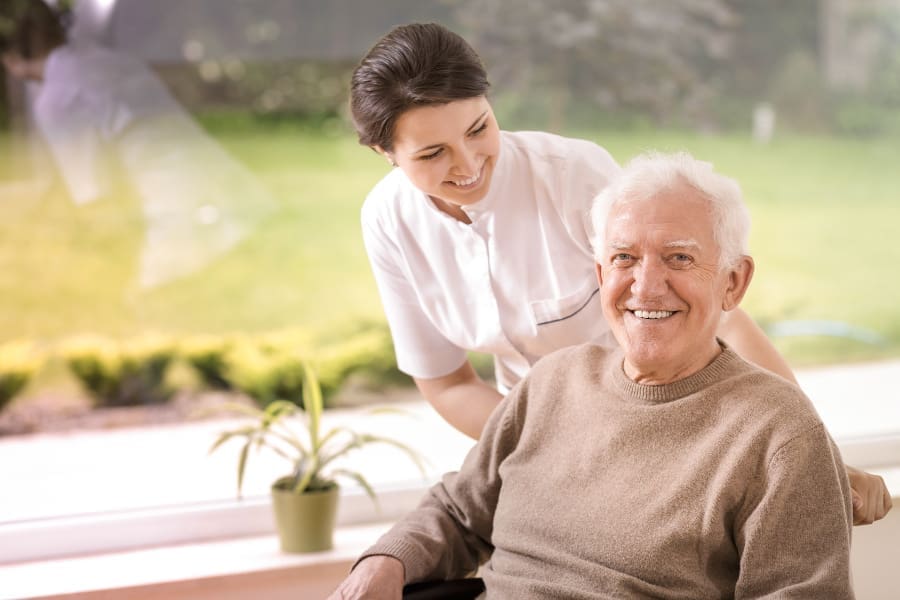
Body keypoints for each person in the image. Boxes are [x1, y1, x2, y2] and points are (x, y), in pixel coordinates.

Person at [349, 22, 891, 524]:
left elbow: (717, 316)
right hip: (540, 442)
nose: (468, 164)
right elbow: (447, 383)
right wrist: (549, 449)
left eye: (478, 129)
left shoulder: (572, 177)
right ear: (384, 152)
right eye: (433, 153)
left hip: (672, 414)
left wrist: (821, 459)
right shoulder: (389, 222)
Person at [329, 150, 857, 599]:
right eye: (625, 258)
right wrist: (385, 561)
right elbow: (459, 511)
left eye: (678, 258)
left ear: (733, 282)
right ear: (601, 274)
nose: (646, 286)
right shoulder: (553, 382)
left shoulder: (779, 434)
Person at [0, 0, 278, 288]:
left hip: (192, 238)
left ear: (10, 58)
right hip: (244, 203)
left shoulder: (57, 99)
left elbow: (101, 209)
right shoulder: (114, 61)